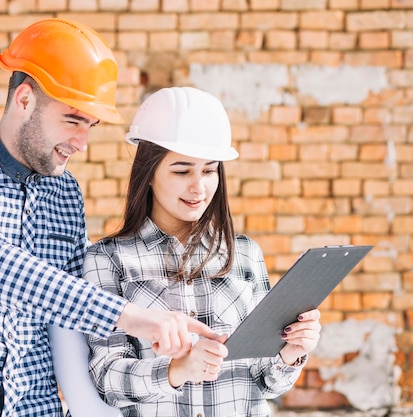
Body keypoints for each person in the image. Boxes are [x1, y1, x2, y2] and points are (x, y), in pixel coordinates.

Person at [0, 20, 218, 417]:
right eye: (73, 120)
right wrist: (131, 317)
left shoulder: (65, 194)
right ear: (24, 100)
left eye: (90, 126)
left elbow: (70, 321)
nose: (82, 143)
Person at [56, 86, 322, 417]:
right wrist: (177, 371)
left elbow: (267, 384)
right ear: (148, 174)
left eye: (209, 170)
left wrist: (290, 353)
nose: (198, 187)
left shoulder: (245, 255)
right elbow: (106, 379)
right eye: (182, 171)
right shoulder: (108, 260)